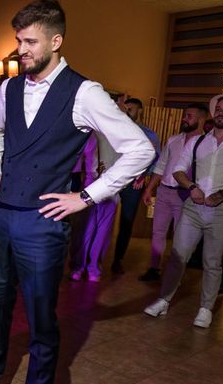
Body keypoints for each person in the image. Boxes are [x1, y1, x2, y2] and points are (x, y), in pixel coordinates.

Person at [0, 0, 154, 384]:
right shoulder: (9, 89)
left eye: (29, 41)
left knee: (40, 323)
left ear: (56, 41)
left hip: (43, 225)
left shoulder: (85, 92)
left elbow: (140, 150)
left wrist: (87, 196)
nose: (20, 50)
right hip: (2, 219)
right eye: (18, 40)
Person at [144, 96, 223, 328]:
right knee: (178, 257)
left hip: (222, 210)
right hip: (193, 207)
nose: (222, 113)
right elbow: (179, 170)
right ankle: (163, 300)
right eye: (218, 109)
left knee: (212, 261)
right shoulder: (198, 142)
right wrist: (191, 186)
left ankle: (205, 308)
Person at [138, 103, 207, 281]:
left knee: (180, 235)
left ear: (201, 119)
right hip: (163, 192)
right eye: (185, 115)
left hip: (185, 195)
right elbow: (161, 166)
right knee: (158, 232)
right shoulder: (173, 140)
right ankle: (154, 268)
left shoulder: (206, 144)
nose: (185, 118)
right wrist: (149, 188)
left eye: (189, 116)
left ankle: (175, 273)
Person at [110, 97, 161, 274]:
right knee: (103, 219)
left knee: (126, 221)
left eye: (130, 109)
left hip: (134, 184)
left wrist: (144, 175)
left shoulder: (150, 134)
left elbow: (156, 160)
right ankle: (94, 258)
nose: (127, 111)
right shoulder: (117, 129)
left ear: (139, 111)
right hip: (113, 179)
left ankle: (118, 259)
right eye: (125, 108)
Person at [69, 132, 120, 282]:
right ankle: (79, 266)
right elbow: (89, 163)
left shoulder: (122, 136)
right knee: (85, 228)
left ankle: (94, 267)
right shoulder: (91, 133)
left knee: (102, 232)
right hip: (88, 187)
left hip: (111, 190)